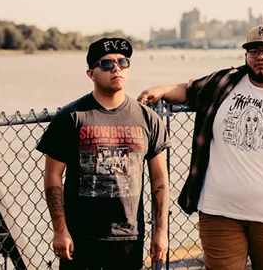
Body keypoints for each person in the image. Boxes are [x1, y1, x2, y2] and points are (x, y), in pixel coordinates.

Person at [137, 24, 263, 270]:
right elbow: (188, 90)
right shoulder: (224, 82)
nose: (260, 56)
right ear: (246, 55)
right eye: (254, 51)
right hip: (219, 212)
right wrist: (162, 90)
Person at [37, 37, 171, 270]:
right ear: (91, 74)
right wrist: (60, 230)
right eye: (107, 64)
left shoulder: (148, 119)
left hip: (129, 237)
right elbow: (52, 177)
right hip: (81, 238)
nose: (116, 68)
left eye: (123, 62)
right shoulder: (72, 117)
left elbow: (160, 179)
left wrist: (161, 232)